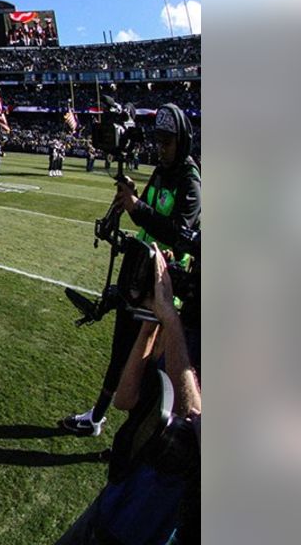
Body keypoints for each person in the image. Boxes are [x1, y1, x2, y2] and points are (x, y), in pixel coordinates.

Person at [61, 103, 201, 436]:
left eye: (168, 141)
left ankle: (134, 433)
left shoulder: (191, 181)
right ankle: (98, 418)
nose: (162, 147)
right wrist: (132, 204)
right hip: (139, 272)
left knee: (143, 364)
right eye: (160, 140)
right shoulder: (162, 171)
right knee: (120, 352)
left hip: (162, 285)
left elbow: (180, 236)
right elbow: (151, 218)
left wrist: (138, 208)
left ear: (182, 140)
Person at [55, 247, 200, 544]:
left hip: (151, 525)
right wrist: (151, 322)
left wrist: (170, 320)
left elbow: (191, 432)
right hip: (115, 500)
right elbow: (126, 399)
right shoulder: (185, 337)